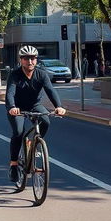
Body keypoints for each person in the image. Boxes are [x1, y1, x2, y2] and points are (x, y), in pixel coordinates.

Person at [6, 46, 66, 183]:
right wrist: (12, 107)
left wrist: (59, 106)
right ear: (21, 60)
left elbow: (50, 90)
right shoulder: (14, 74)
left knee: (46, 121)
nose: (30, 61)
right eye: (26, 58)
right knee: (18, 132)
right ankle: (14, 165)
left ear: (36, 60)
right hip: (17, 107)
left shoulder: (41, 74)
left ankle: (33, 144)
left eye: (33, 58)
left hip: (34, 105)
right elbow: (10, 93)